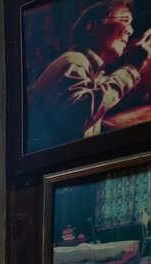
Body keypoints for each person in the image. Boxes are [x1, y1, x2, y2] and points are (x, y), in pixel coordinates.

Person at [26, 1, 151, 153]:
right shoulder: (73, 61)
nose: (130, 31)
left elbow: (106, 101)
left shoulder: (91, 71)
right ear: (91, 27)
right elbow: (77, 116)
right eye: (124, 20)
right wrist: (131, 69)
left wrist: (136, 68)